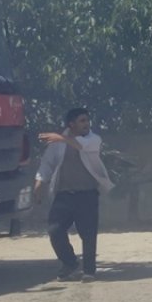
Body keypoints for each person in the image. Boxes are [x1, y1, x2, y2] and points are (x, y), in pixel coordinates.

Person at [34, 108, 115, 281]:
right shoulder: (58, 143)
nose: (87, 124)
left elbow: (81, 146)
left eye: (87, 120)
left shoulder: (93, 139)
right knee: (54, 230)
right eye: (82, 121)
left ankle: (89, 271)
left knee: (88, 233)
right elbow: (47, 164)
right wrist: (39, 183)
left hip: (87, 195)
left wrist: (61, 138)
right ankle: (70, 262)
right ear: (72, 124)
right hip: (64, 195)